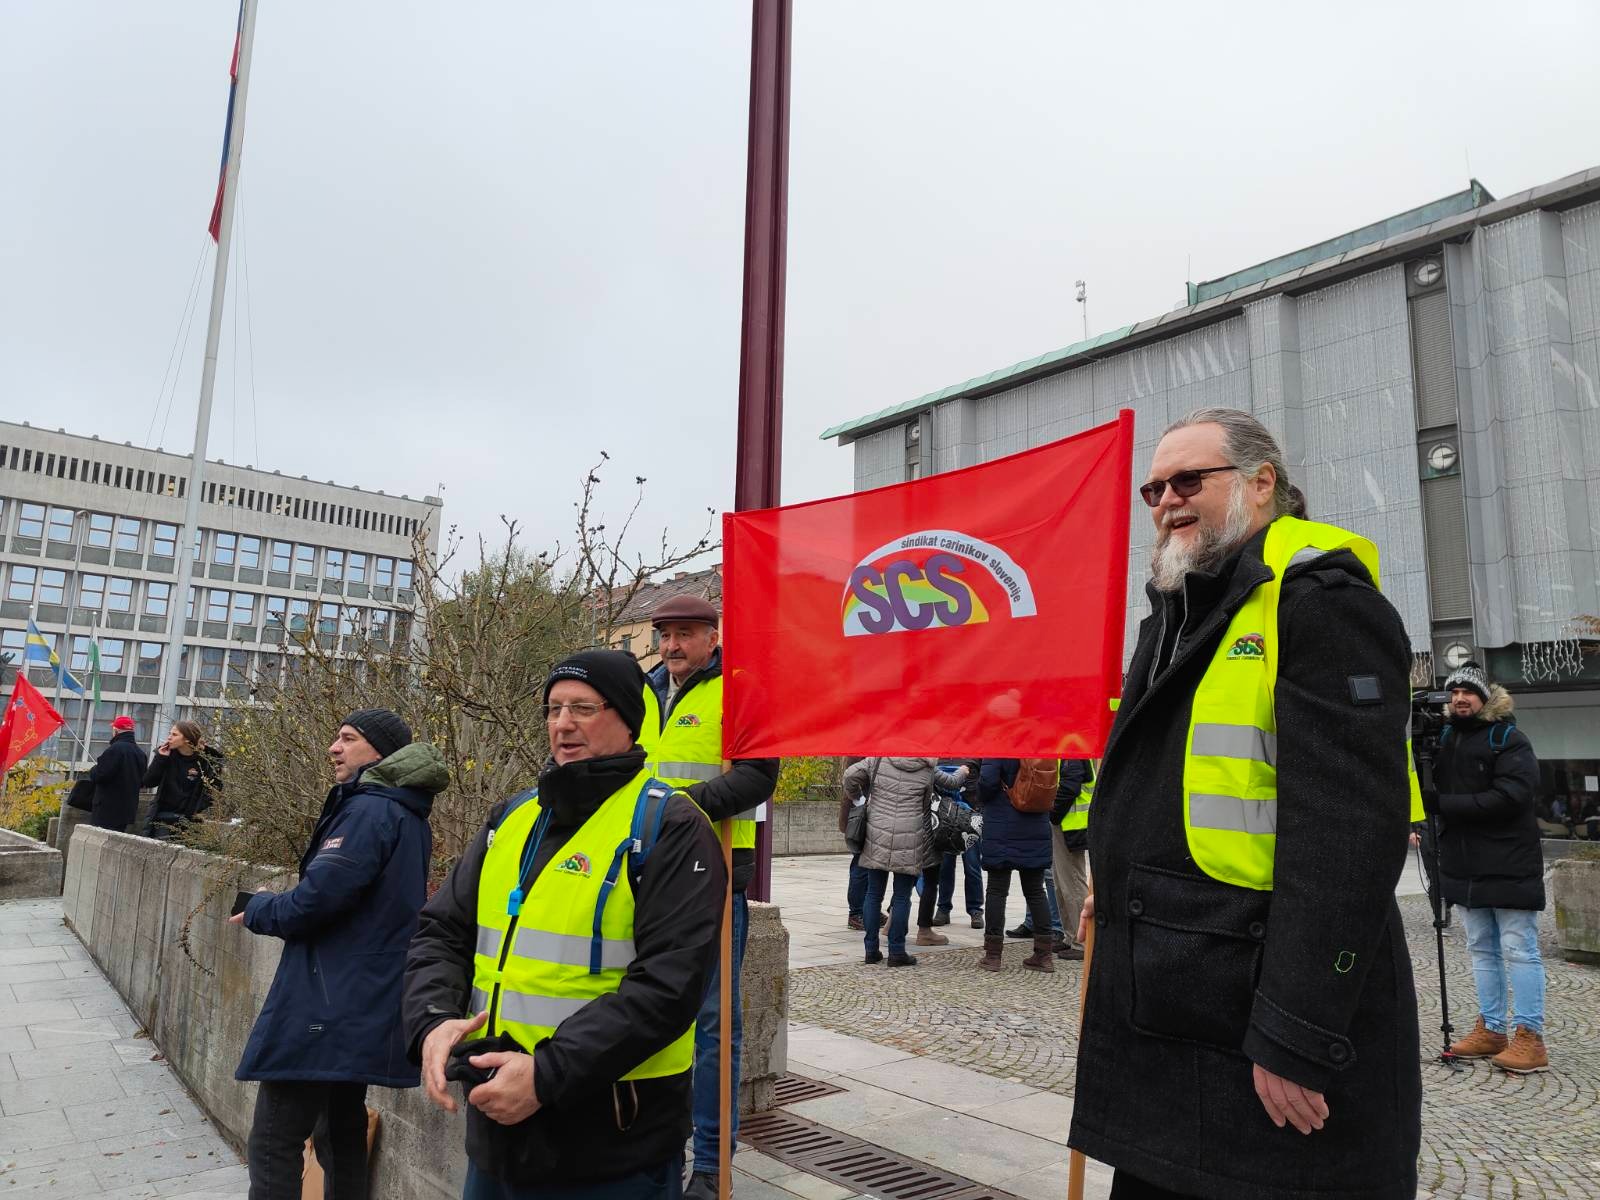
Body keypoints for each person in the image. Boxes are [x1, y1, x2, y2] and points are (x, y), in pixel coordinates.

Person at [1068, 408, 1422, 1200]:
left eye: (1189, 480)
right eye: (1152, 488)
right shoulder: (1180, 607)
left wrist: (1297, 1030)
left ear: (1262, 484)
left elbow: (1349, 836)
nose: (1166, 500)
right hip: (1172, 1001)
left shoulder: (1321, 604)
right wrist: (1115, 874)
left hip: (1258, 1013)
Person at [403, 650, 725, 1198]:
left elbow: (670, 985)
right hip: (497, 1129)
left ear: (627, 720)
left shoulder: (670, 826)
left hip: (613, 1142)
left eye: (582, 707)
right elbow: (442, 932)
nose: (562, 723)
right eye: (553, 709)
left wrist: (546, 1075)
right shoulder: (512, 818)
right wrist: (430, 1020)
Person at [231, 708, 446, 1199]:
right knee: (340, 1130)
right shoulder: (404, 810)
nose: (334, 747)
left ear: (380, 753)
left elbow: (316, 901)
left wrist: (262, 907)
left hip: (326, 1000)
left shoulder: (371, 810)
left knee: (273, 1139)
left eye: (348, 738)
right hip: (360, 995)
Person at [637, 595, 778, 1200]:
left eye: (686, 634)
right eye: (665, 634)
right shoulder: (639, 692)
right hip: (642, 877)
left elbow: (757, 777)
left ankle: (713, 1162)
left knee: (716, 1026)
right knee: (645, 1016)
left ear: (713, 637)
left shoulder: (740, 691)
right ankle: (652, 1147)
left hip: (717, 876)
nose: (672, 645)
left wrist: (673, 814)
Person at [1428, 661, 1548, 1073]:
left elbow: (1512, 796)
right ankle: (1492, 1029)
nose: (1460, 698)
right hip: (1464, 861)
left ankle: (1530, 1037)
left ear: (1484, 697)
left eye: (1468, 692)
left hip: (1510, 859)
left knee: (1519, 949)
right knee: (1480, 948)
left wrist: (1445, 807)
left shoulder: (1509, 739)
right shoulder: (1442, 738)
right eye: (1454, 692)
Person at [845, 756, 968, 965]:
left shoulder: (878, 759)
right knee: (902, 896)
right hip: (911, 834)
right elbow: (951, 782)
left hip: (877, 831)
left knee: (874, 893)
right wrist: (963, 772)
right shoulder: (927, 766)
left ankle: (871, 950)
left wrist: (859, 799)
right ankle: (896, 952)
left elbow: (849, 776)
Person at [976, 759, 1056, 972]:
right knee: (1036, 892)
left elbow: (987, 782)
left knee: (996, 890)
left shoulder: (1000, 741)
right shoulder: (1041, 743)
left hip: (1002, 825)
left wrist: (981, 796)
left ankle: (993, 955)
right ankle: (1044, 954)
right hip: (1036, 824)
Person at [142, 719, 223, 840]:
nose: (169, 738)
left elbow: (215, 790)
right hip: (163, 818)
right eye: (170, 734)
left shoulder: (207, 761)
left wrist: (197, 810)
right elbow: (148, 782)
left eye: (174, 735)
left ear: (187, 739)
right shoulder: (166, 755)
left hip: (190, 821)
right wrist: (160, 759)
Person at [1047, 759, 1093, 961]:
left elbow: (1069, 786)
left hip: (1070, 825)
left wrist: (1054, 813)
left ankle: (1081, 942)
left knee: (1072, 884)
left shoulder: (1073, 747)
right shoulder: (1070, 745)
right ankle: (1070, 936)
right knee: (1061, 883)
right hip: (1067, 824)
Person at [932, 758, 984, 929]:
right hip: (945, 817)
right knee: (945, 866)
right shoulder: (940, 753)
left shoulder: (976, 752)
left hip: (971, 817)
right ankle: (943, 908)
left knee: (972, 866)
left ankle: (975, 910)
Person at [85, 714, 144, 833]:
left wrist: (94, 769)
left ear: (116, 731)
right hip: (126, 810)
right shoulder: (140, 753)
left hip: (107, 809)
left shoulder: (114, 749)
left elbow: (99, 775)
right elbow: (142, 780)